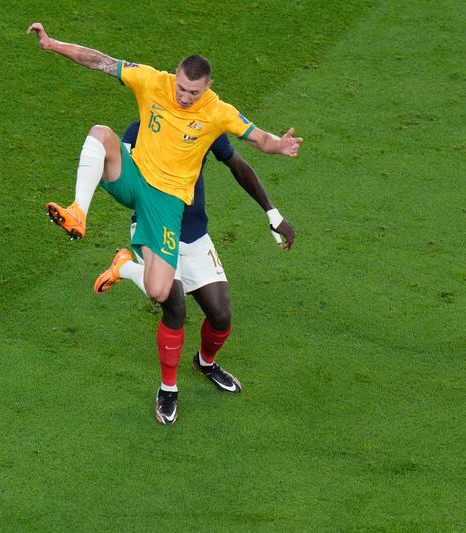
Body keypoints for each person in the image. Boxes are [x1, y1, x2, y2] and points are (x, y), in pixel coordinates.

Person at [27, 23, 303, 424]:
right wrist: (53, 45)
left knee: (179, 298)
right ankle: (78, 212)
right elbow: (99, 61)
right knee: (101, 134)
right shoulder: (153, 83)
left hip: (170, 207)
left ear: (207, 88)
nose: (185, 97)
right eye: (182, 88)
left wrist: (276, 144)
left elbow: (254, 138)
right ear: (175, 76)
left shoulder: (216, 113)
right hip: (139, 185)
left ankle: (128, 270)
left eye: (194, 92)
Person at [95, 121, 295, 397]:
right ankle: (168, 389)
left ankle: (205, 363)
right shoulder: (138, 131)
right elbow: (120, 177)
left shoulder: (205, 123)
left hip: (195, 233)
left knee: (221, 315)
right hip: (153, 230)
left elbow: (237, 164)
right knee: (175, 308)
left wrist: (273, 214)